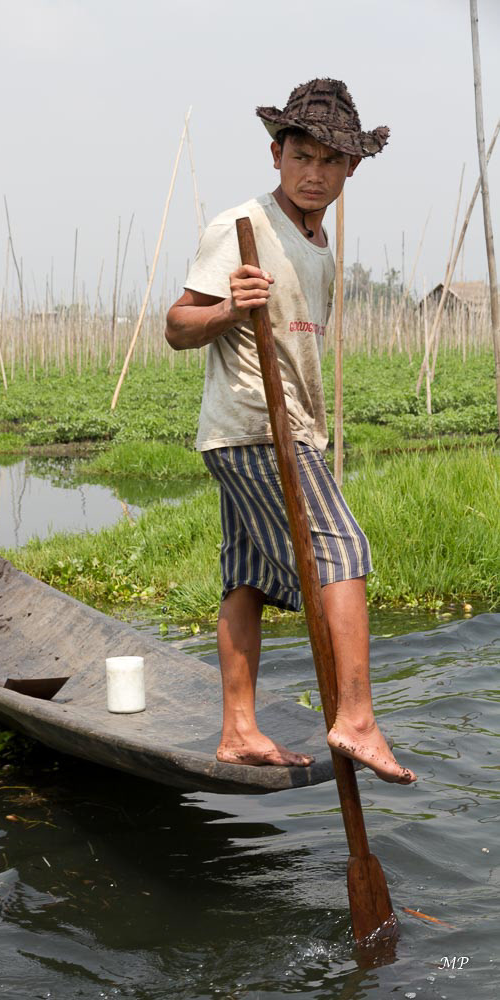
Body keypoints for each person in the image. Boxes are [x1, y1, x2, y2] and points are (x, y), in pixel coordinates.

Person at [165, 79, 416, 785]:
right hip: (253, 427)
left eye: (330, 160)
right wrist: (227, 310)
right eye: (301, 156)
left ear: (350, 169)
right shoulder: (241, 226)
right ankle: (356, 719)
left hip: (289, 428)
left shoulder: (320, 245)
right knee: (344, 548)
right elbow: (177, 325)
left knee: (246, 578)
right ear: (276, 155)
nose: (314, 173)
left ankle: (238, 732)